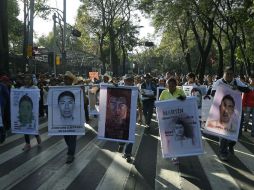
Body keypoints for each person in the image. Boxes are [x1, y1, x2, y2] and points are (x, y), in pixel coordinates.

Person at [210, 66, 250, 161]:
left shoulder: (236, 81)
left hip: (236, 111)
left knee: (237, 132)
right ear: (224, 73)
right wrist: (222, 90)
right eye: (227, 73)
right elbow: (212, 93)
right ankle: (222, 152)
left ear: (233, 75)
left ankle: (230, 144)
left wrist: (237, 88)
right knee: (224, 132)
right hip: (223, 111)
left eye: (231, 74)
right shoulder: (219, 82)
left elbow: (247, 89)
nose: (229, 76)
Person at [159, 77, 186, 164]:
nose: (170, 87)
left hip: (177, 118)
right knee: (168, 137)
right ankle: (169, 151)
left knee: (176, 137)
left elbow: (185, 100)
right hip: (167, 118)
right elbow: (159, 104)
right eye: (169, 86)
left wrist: (180, 99)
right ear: (167, 85)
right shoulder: (164, 92)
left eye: (172, 86)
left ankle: (175, 156)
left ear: (176, 85)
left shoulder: (180, 91)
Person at [117, 74, 142, 162]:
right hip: (122, 115)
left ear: (132, 82)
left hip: (132, 115)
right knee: (122, 131)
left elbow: (139, 104)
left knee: (131, 134)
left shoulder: (136, 90)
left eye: (130, 81)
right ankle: (121, 143)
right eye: (127, 81)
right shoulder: (119, 88)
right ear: (124, 81)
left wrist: (140, 116)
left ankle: (127, 153)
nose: (128, 82)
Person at [20, 74, 41, 151]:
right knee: (25, 126)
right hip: (24, 111)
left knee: (32, 125)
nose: (27, 80)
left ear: (31, 80)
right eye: (25, 79)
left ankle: (37, 135)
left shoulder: (34, 88)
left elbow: (38, 98)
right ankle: (27, 143)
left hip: (32, 110)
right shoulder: (22, 88)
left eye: (28, 79)